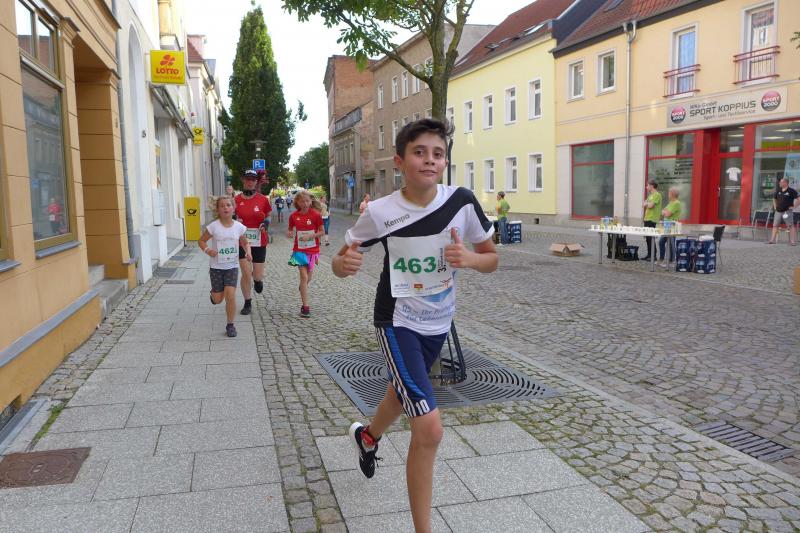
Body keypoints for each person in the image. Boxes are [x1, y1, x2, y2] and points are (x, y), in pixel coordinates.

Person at [332, 119, 498, 533]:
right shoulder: (381, 212)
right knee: (429, 428)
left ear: (445, 161)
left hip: (438, 323)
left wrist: (470, 260)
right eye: (420, 152)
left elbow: (491, 257)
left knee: (402, 390)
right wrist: (342, 265)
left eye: (437, 153)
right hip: (397, 321)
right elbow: (340, 257)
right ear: (400, 161)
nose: (429, 160)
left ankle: (368, 437)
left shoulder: (461, 202)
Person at [198, 196, 251, 338]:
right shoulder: (213, 226)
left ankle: (230, 325)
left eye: (228, 205)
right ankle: (213, 295)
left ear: (233, 208)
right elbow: (201, 241)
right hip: (216, 267)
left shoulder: (239, 227)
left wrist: (248, 252)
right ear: (218, 209)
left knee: (230, 295)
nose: (225, 208)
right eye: (222, 206)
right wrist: (208, 250)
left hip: (232, 266)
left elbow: (245, 242)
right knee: (218, 299)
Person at [234, 169, 272, 315]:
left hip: (259, 241)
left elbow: (268, 215)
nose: (250, 182)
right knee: (245, 273)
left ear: (256, 182)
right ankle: (247, 303)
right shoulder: (236, 200)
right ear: (243, 180)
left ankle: (257, 280)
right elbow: (228, 216)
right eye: (247, 179)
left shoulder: (263, 199)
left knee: (257, 275)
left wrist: (266, 223)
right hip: (242, 242)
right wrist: (234, 220)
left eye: (253, 180)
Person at [287, 190, 324, 318]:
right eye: (302, 201)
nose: (305, 203)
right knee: (303, 277)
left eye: (307, 201)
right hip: (299, 250)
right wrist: (289, 232)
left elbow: (322, 232)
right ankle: (305, 307)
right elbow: (290, 229)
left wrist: (311, 236)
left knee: (308, 278)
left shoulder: (316, 215)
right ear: (297, 202)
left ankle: (302, 287)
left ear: (311, 201)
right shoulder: (293, 216)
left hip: (312, 250)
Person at [767, 178, 798, 245]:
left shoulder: (791, 191)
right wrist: (775, 207)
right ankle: (772, 240)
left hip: (787, 211)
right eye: (780, 182)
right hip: (778, 211)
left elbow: (799, 199)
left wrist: (794, 206)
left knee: (790, 226)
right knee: (775, 225)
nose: (780, 183)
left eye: (781, 182)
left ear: (786, 183)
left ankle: (792, 241)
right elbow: (774, 198)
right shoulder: (778, 190)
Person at [658, 187, 682, 267]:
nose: (668, 194)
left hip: (672, 226)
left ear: (672, 194)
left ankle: (672, 261)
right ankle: (662, 259)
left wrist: (664, 212)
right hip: (666, 225)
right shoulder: (671, 203)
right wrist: (664, 212)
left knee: (671, 243)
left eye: (669, 193)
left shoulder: (676, 203)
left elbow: (667, 214)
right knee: (661, 242)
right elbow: (662, 212)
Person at [642, 180, 662, 260]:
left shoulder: (657, 195)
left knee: (651, 237)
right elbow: (643, 204)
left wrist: (646, 204)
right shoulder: (650, 196)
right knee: (647, 238)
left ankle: (653, 256)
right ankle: (649, 254)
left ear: (652, 186)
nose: (646, 187)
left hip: (652, 219)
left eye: (647, 185)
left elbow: (650, 206)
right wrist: (647, 204)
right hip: (647, 218)